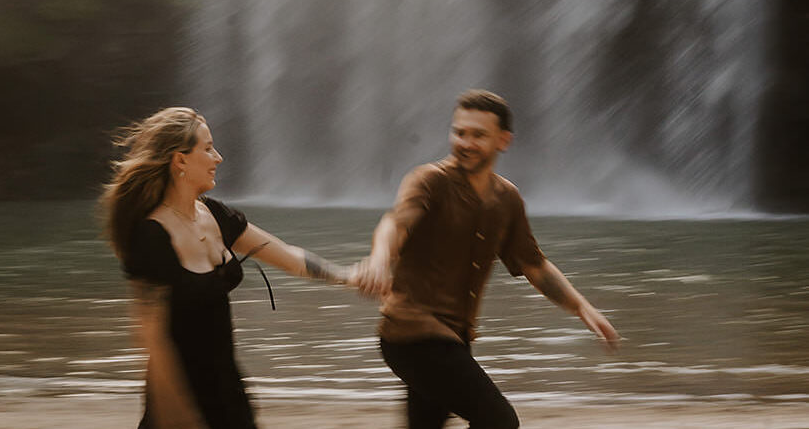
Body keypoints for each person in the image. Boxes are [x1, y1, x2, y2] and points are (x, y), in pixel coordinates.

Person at [357, 89, 619, 429]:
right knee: (499, 421)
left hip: (455, 340)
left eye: (478, 135)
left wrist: (582, 308)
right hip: (412, 336)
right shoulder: (429, 181)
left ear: (503, 140)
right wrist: (379, 259)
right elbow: (396, 223)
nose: (465, 142)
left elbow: (534, 265)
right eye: (459, 132)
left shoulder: (506, 199)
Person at [101, 106, 356, 429]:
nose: (218, 158)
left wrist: (350, 277)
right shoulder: (151, 236)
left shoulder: (217, 216)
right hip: (178, 394)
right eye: (207, 149)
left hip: (228, 388)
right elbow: (151, 337)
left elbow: (289, 257)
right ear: (180, 160)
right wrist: (178, 412)